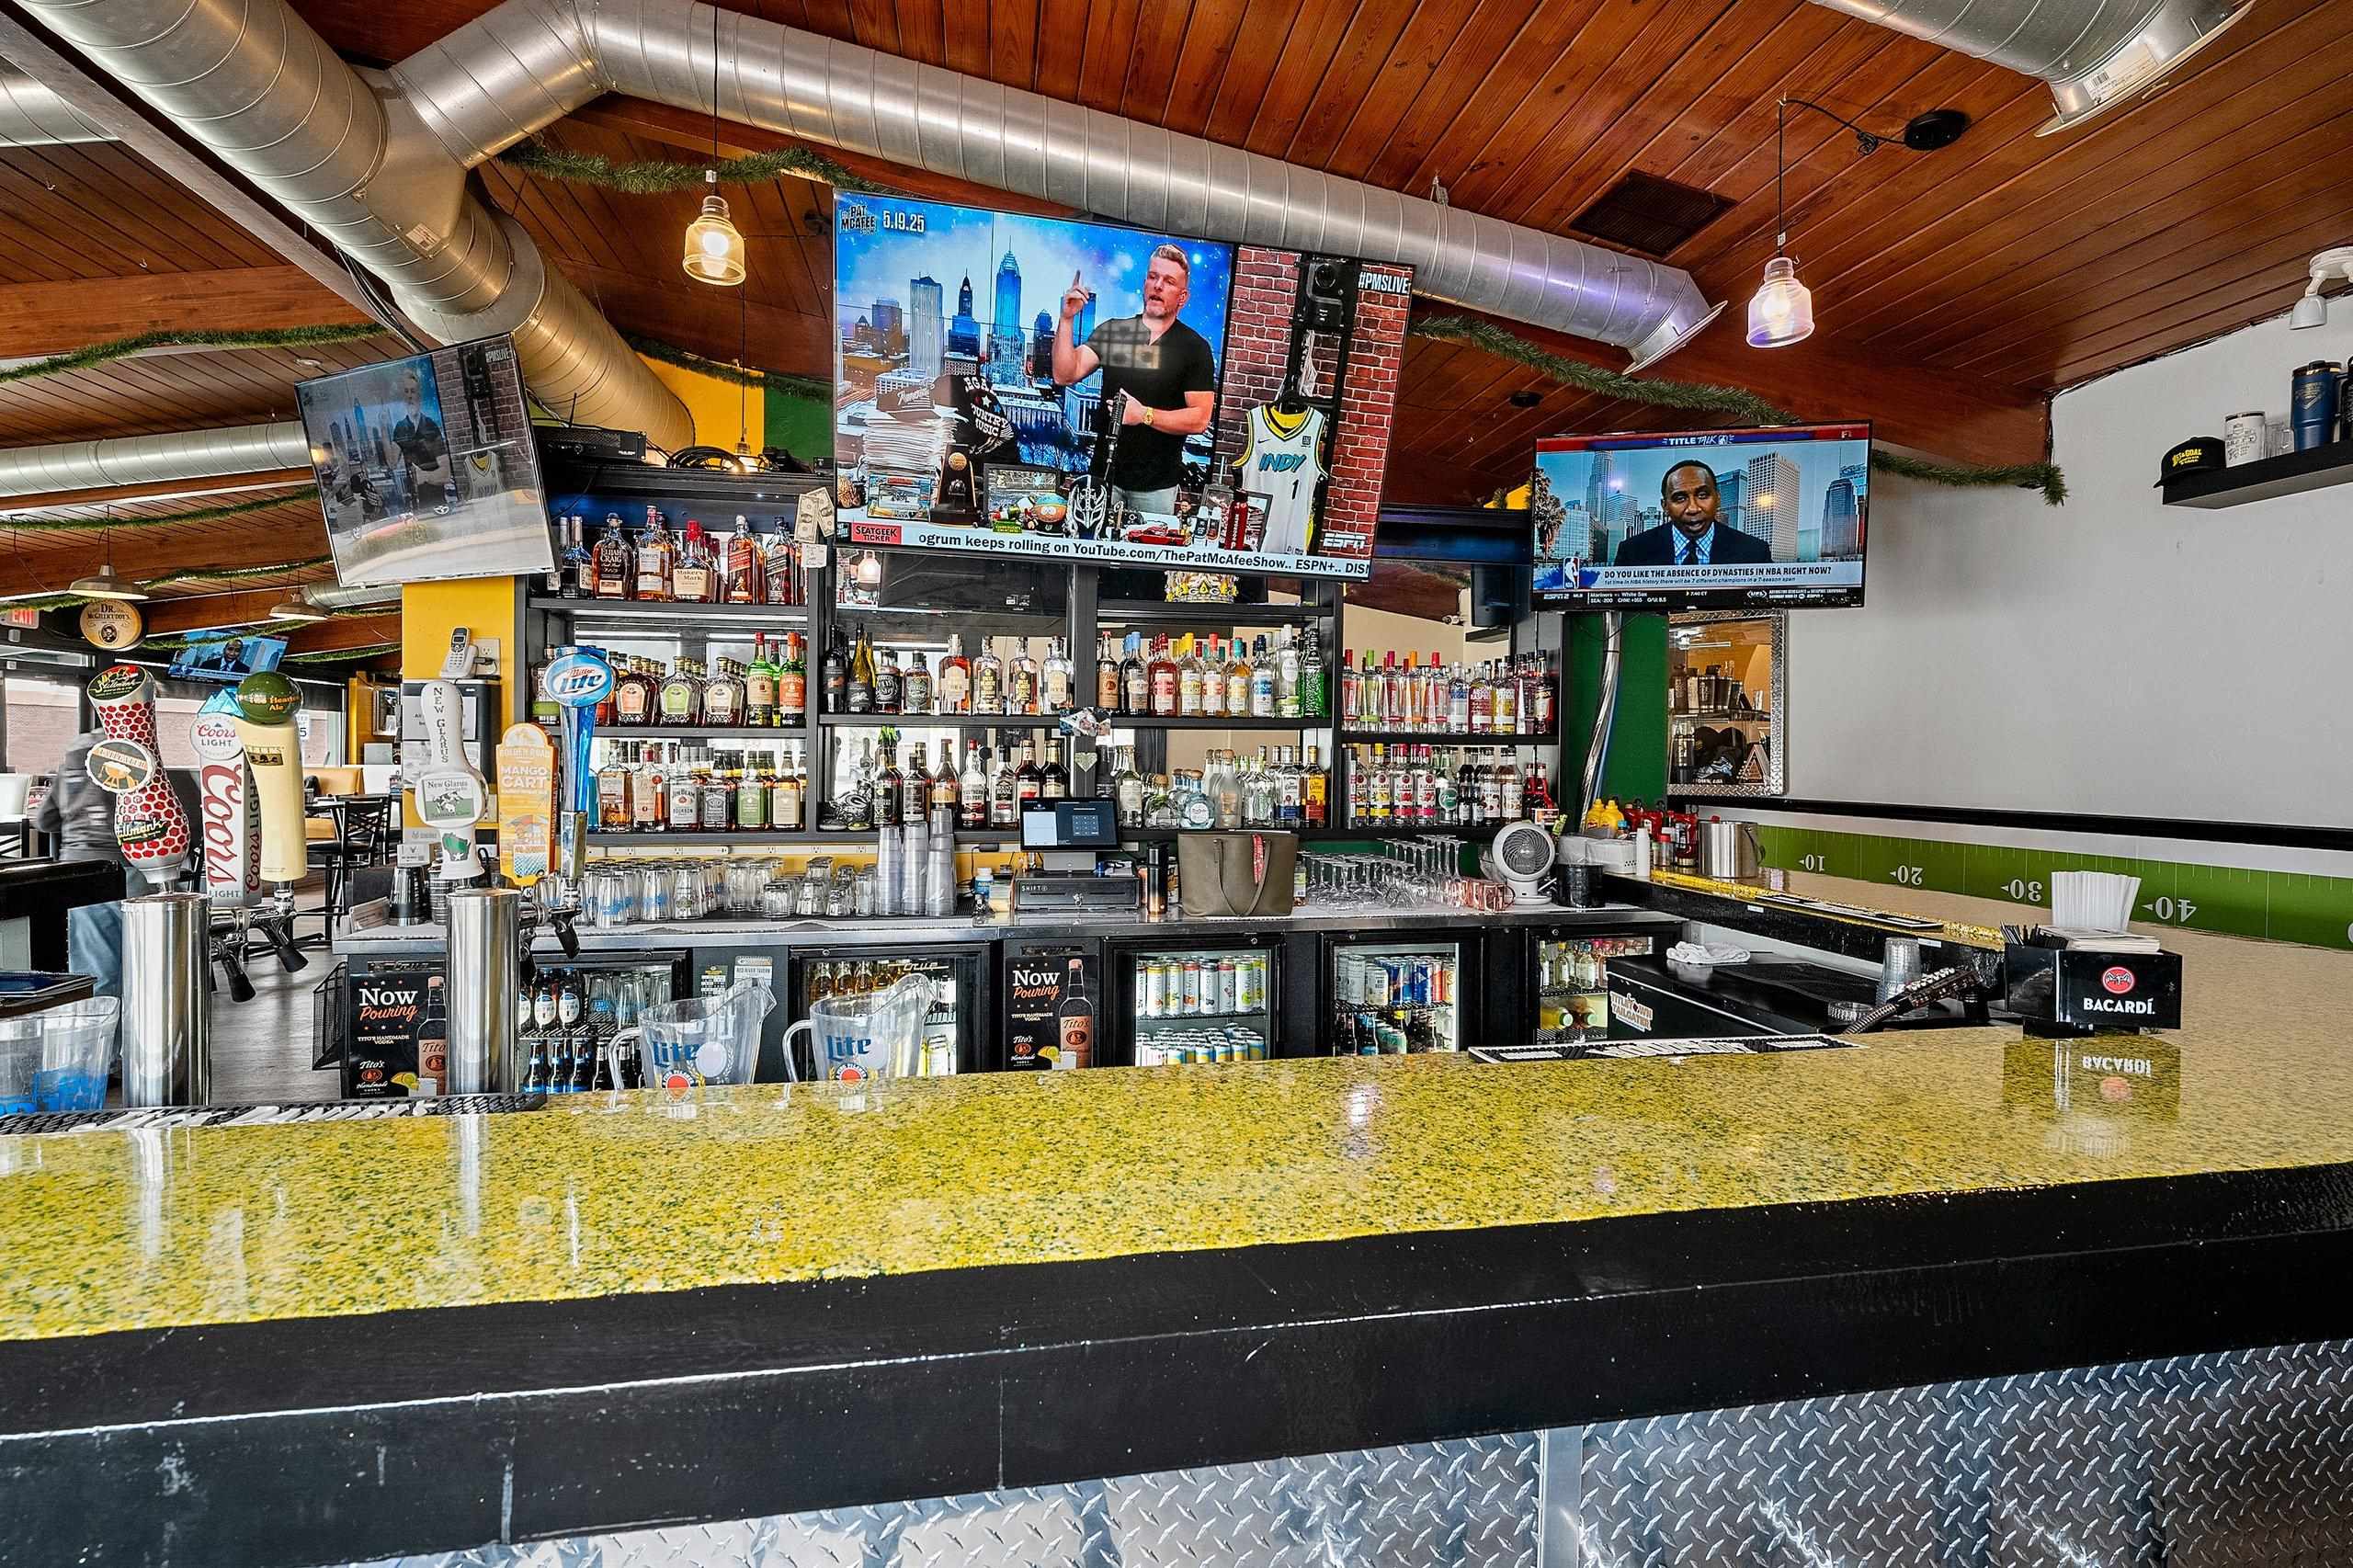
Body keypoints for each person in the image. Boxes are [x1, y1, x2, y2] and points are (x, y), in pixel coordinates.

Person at [1051, 244, 1217, 514]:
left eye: (1169, 281)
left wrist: (1143, 415)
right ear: (1145, 283)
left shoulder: (1194, 348)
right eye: (1153, 277)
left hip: (1156, 488)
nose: (1158, 285)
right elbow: (1064, 374)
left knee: (1148, 543)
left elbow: (1199, 419)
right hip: (1103, 478)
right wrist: (1067, 319)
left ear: (1183, 297)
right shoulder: (1115, 331)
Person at [33, 729, 130, 999]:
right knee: (146, 957)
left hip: (80, 872)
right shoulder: (131, 761)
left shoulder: (68, 768)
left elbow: (45, 821)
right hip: (129, 869)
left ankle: (101, 1022)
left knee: (96, 963)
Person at [1613, 460, 1774, 566]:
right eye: (1680, 498)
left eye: (1703, 495)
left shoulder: (1754, 551)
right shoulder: (1632, 551)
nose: (1693, 508)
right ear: (1665, 506)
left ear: (1718, 499)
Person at [391, 369, 453, 512]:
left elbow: (446, 474)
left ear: (419, 395)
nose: (410, 396)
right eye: (406, 392)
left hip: (436, 505)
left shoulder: (430, 425)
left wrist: (424, 476)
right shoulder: (400, 427)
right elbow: (392, 463)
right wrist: (383, 429)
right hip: (414, 508)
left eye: (413, 391)